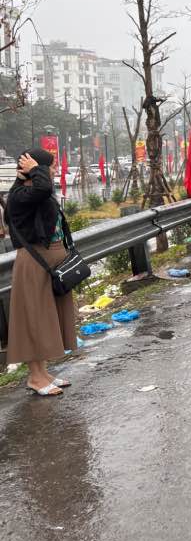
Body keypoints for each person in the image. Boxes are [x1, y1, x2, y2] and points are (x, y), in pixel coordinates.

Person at [4, 149, 77, 396]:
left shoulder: (34, 192)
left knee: (47, 319)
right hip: (34, 264)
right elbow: (43, 189)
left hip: (51, 262)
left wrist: (36, 170)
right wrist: (37, 169)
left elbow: (46, 192)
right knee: (34, 320)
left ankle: (43, 372)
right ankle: (35, 377)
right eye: (51, 166)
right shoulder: (20, 195)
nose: (54, 171)